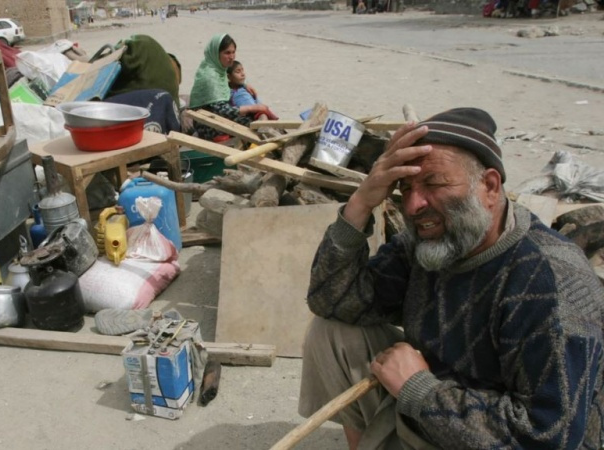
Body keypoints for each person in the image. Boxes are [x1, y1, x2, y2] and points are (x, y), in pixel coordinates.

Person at [300, 107, 604, 449]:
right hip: (442, 413)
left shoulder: (551, 284)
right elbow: (332, 299)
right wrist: (360, 202)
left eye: (434, 184)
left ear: (489, 186)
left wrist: (419, 390)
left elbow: (550, 438)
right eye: (405, 188)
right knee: (334, 332)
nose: (414, 205)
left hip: (497, 437)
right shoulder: (434, 241)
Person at [188, 34, 274, 141]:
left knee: (258, 116)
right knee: (254, 121)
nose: (232, 57)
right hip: (208, 123)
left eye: (233, 52)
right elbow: (221, 110)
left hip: (216, 115)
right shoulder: (210, 75)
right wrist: (254, 108)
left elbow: (227, 82)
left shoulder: (218, 68)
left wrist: (244, 84)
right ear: (216, 53)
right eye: (227, 53)